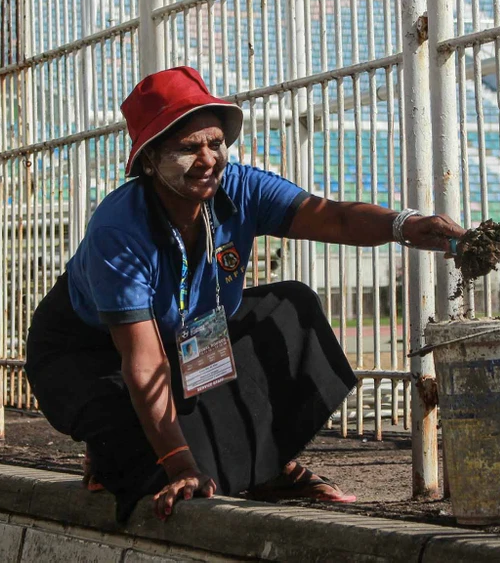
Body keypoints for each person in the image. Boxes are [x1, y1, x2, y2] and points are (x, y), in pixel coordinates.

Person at [23, 66, 465, 523]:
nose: (208, 158)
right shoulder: (120, 230)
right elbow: (143, 362)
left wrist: (405, 225)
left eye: (216, 143)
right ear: (151, 159)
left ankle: (269, 465)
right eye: (188, 148)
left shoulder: (241, 189)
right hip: (90, 355)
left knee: (291, 309)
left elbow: (331, 217)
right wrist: (179, 463)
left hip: (180, 337)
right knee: (155, 473)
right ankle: (109, 452)